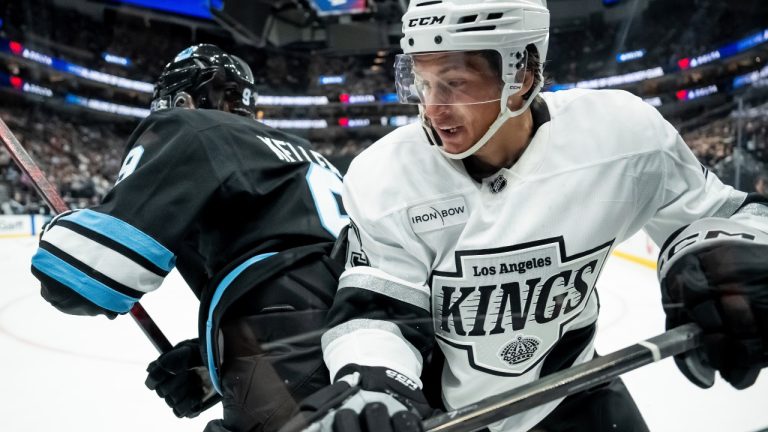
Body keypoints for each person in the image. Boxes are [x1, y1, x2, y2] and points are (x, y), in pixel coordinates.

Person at [287, 1, 768, 431]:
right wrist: (376, 381)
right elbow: (377, 311)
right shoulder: (386, 175)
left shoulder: (619, 137)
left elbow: (722, 214)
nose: (432, 108)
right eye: (422, 81)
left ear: (522, 78)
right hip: (445, 416)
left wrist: (733, 249)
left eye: (454, 83)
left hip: (573, 386)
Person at [30, 44, 349, 432]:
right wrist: (212, 357)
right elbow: (311, 265)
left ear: (181, 100)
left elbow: (83, 279)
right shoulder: (307, 153)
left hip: (288, 352)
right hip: (375, 335)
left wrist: (63, 236)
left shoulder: (190, 127)